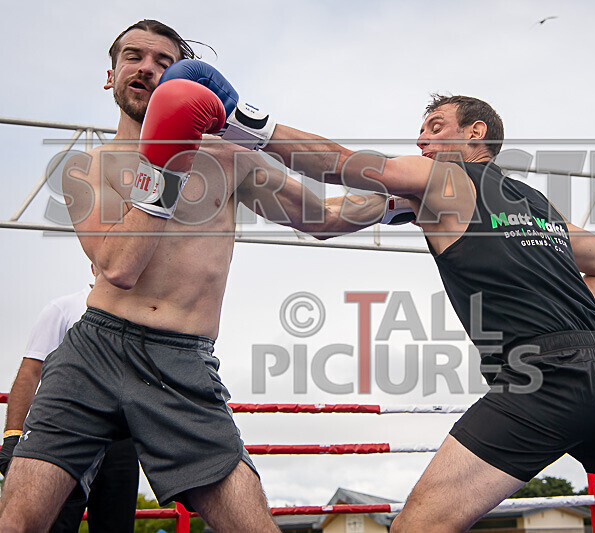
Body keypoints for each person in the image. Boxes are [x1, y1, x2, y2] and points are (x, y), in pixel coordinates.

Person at [164, 61, 595, 532]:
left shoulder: (442, 177)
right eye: (418, 134)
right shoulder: (536, 206)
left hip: (547, 377)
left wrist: (245, 121)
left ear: (475, 132)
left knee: (420, 526)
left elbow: (342, 162)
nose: (421, 143)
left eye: (435, 129)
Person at [0, 20, 390, 533]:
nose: (146, 68)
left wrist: (404, 199)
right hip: (91, 351)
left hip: (179, 360)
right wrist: (168, 156)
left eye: (164, 62)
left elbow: (323, 216)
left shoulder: (231, 161)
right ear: (111, 74)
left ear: (184, 77)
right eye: (134, 57)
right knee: (19, 521)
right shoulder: (83, 169)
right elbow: (118, 268)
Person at [0, 267, 139, 533]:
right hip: (67, 432)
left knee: (116, 526)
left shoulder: (138, 316)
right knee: (56, 523)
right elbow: (30, 371)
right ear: (94, 266)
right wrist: (12, 435)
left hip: (121, 439)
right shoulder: (63, 308)